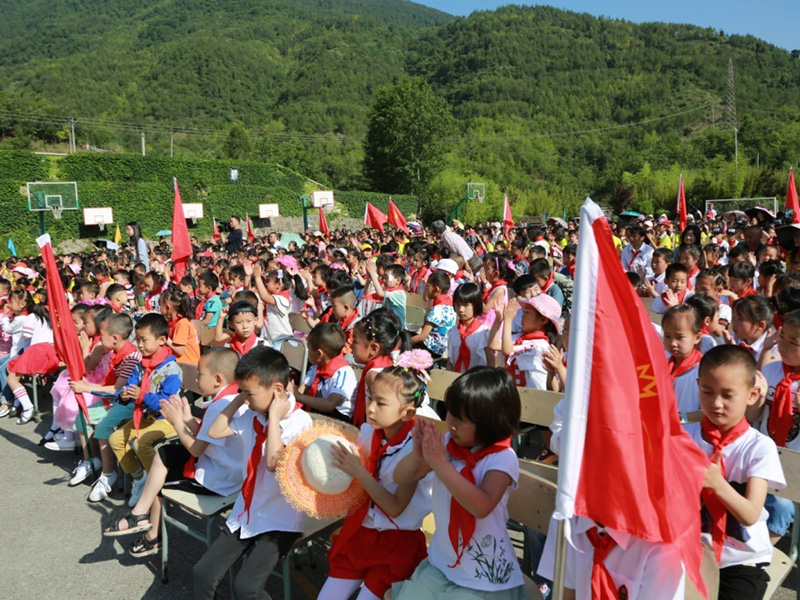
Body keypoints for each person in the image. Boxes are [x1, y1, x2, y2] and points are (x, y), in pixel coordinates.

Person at [393, 367, 526, 599]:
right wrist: (416, 456)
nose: (450, 423)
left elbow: (481, 506)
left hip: (484, 578)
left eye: (461, 419)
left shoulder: (503, 458)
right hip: (442, 563)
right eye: (449, 413)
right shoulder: (448, 445)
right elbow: (400, 477)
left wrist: (440, 464)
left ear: (490, 422)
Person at [102, 348, 246, 558]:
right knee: (165, 454)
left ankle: (152, 536)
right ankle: (140, 515)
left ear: (217, 379)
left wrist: (178, 422)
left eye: (200, 374)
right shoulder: (230, 398)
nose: (196, 379)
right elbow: (208, 437)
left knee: (159, 481)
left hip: (218, 480)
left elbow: (197, 448)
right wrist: (187, 418)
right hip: (226, 468)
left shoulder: (219, 406)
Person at [196, 346, 312, 600]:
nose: (246, 400)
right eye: (242, 392)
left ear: (277, 391)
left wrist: (274, 417)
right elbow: (215, 432)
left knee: (246, 588)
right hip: (247, 511)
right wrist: (241, 397)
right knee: (202, 573)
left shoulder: (300, 422)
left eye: (250, 393)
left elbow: (273, 463)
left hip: (279, 519)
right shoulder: (253, 413)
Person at [319, 353, 435, 600]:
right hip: (361, 533)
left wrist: (358, 471)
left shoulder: (415, 448)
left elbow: (395, 508)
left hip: (396, 543)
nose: (370, 408)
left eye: (381, 403)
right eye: (370, 397)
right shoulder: (369, 431)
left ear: (407, 413)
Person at [688, 346, 785, 600]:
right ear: (698, 386)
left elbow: (750, 515)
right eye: (707, 392)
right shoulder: (684, 437)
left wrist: (716, 483)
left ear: (752, 395)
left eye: (728, 395)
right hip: (688, 550)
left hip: (742, 561)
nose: (716, 403)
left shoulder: (759, 447)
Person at [104, 314, 183, 505]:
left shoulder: (171, 369)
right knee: (115, 439)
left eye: (144, 340)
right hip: (146, 416)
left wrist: (142, 396)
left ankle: (156, 485)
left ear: (162, 340)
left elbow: (165, 402)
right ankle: (141, 478)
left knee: (142, 444)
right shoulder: (141, 364)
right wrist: (124, 393)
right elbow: (130, 384)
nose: (139, 345)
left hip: (168, 419)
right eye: (137, 340)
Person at [68, 313, 141, 486]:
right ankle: (90, 461)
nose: (99, 340)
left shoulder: (130, 357)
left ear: (115, 338)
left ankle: (108, 473)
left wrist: (87, 388)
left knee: (102, 428)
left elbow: (117, 389)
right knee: (82, 418)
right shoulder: (117, 352)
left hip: (127, 403)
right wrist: (87, 385)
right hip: (116, 400)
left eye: (102, 336)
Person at [752, 308, 800, 545]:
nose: (783, 345)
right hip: (765, 455)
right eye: (783, 337)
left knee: (781, 505)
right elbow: (754, 416)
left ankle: (764, 550)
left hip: (794, 465)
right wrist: (758, 399)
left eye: (793, 342)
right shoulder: (771, 370)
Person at [350, 309, 412, 428]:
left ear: (373, 349)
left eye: (355, 341)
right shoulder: (391, 362)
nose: (350, 345)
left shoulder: (373, 375)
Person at [491, 295, 561, 391]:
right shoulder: (520, 338)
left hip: (536, 397)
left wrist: (508, 320)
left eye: (527, 313)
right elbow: (494, 345)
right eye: (523, 312)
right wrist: (499, 319)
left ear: (543, 320)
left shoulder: (540, 346)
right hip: (521, 395)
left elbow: (508, 351)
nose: (522, 316)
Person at [292, 323, 357, 421]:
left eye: (309, 348)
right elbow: (303, 388)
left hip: (338, 418)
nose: (307, 351)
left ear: (319, 354)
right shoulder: (317, 366)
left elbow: (329, 405)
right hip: (319, 410)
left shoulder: (343, 373)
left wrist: (298, 396)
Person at [662, 305, 703, 424]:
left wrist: (681, 417)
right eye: (667, 336)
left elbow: (710, 412)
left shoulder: (703, 370)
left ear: (697, 337)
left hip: (690, 432)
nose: (672, 343)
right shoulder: (660, 361)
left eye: (679, 337)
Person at [411, 271, 456, 359]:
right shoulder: (450, 305)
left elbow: (423, 336)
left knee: (405, 336)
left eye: (428, 286)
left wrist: (406, 342)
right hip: (442, 348)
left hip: (431, 349)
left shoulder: (437, 309)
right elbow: (425, 298)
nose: (426, 288)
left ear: (436, 289)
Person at [447, 283, 491, 373]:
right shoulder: (453, 331)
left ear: (476, 305)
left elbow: (490, 363)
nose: (461, 310)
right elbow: (450, 361)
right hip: (456, 377)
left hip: (477, 379)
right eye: (458, 304)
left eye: (466, 305)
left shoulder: (483, 332)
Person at [160, 288, 201, 365]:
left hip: (188, 366)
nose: (159, 307)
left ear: (168, 307)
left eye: (160, 304)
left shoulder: (182, 323)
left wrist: (165, 338)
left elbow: (180, 350)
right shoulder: (173, 322)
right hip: (181, 364)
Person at [731, 295, 773, 362]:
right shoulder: (731, 339)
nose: (734, 323)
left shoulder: (773, 348)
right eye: (733, 317)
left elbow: (765, 368)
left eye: (740, 319)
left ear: (760, 325)